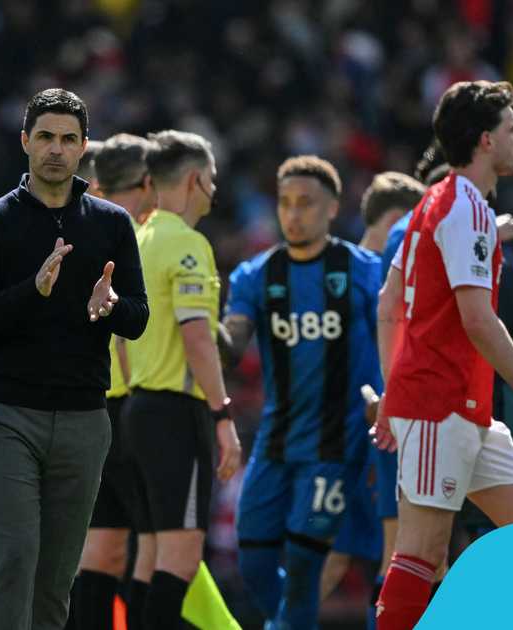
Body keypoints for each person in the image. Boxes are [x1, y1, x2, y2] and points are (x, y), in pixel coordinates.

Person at [0, 88, 149, 630]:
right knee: (14, 557)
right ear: (24, 142)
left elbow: (137, 316)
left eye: (68, 139)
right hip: (5, 413)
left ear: (85, 147)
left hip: (85, 417)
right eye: (45, 137)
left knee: (57, 575)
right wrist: (31, 291)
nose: (56, 149)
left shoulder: (111, 223)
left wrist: (107, 308)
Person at [373, 80, 513, 629]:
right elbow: (477, 319)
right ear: (484, 140)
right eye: (510, 126)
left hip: (465, 410)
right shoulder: (464, 207)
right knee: (421, 554)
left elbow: (387, 305)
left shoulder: (436, 202)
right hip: (437, 404)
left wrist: (389, 395)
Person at [223, 155, 383, 629]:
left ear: (333, 208)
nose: (293, 214)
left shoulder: (363, 272)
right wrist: (203, 332)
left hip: (336, 447)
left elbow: (394, 342)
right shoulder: (256, 275)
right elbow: (233, 339)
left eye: (306, 204)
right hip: (274, 443)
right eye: (286, 203)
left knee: (303, 566)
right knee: (251, 562)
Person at [121, 129, 241, 629]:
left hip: (136, 408)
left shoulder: (136, 238)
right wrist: (222, 414)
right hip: (175, 411)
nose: (213, 190)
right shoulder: (189, 246)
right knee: (182, 558)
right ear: (195, 180)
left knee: (150, 556)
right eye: (210, 180)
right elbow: (198, 337)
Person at [319, 172, 427, 621]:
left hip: (350, 434)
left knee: (346, 556)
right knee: (395, 550)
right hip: (367, 434)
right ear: (400, 220)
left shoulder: (336, 270)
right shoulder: (368, 272)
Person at [71, 132, 157, 630]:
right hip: (126, 406)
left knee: (100, 551)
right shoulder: (130, 238)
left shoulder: (78, 231)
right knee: (157, 547)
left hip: (90, 406)